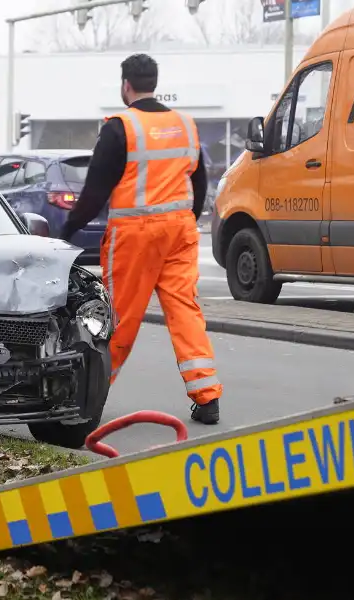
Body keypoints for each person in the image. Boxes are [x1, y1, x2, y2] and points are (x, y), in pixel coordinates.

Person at [59, 53, 221, 425]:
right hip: (180, 231)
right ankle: (207, 396)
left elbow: (95, 193)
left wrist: (66, 232)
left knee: (118, 318)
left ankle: (88, 399)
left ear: (126, 85)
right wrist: (183, 222)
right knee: (184, 311)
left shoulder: (121, 128)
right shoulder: (185, 125)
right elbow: (199, 183)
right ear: (154, 83)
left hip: (135, 235)